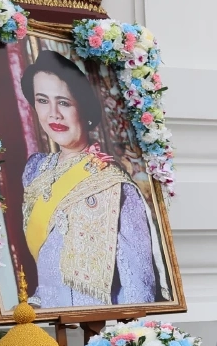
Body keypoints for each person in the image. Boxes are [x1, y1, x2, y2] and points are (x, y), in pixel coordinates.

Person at [20, 50, 161, 308]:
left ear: (83, 107)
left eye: (63, 102)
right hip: (44, 320)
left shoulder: (114, 183)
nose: (53, 114)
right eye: (42, 100)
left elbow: (137, 287)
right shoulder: (35, 170)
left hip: (99, 324)